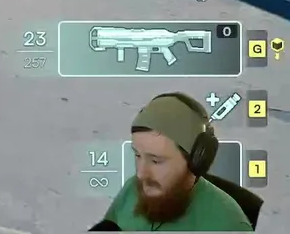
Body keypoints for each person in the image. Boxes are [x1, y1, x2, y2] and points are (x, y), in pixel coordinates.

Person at [98, 92, 254, 231]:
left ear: (196, 161)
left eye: (156, 161)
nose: (141, 174)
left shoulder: (229, 225)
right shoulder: (131, 190)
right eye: (138, 155)